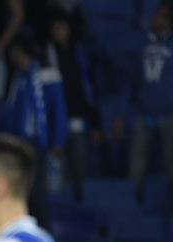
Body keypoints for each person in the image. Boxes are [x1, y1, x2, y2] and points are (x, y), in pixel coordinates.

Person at [117, 2, 173, 199]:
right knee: (136, 164)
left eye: (160, 15)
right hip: (144, 113)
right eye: (155, 14)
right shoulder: (143, 46)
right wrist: (121, 115)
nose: (154, 18)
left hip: (172, 114)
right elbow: (132, 83)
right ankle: (132, 206)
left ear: (169, 22)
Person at [4, 34, 66, 226]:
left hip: (36, 143)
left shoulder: (47, 75)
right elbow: (12, 113)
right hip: (18, 145)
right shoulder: (18, 78)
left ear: (19, 52)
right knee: (21, 195)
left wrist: (57, 141)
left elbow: (60, 110)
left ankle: (44, 237)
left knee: (36, 193)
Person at [42, 12, 100, 203]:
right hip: (54, 122)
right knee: (54, 172)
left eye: (63, 28)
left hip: (77, 119)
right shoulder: (45, 56)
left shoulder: (79, 53)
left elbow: (89, 90)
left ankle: (78, 203)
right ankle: (57, 208)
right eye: (56, 28)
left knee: (78, 167)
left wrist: (95, 124)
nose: (60, 32)